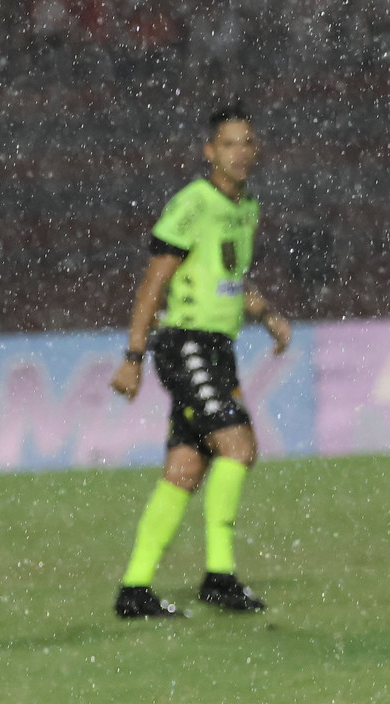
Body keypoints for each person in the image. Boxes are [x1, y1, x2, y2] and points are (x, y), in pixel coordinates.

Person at [109, 101, 292, 619]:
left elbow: (227, 277)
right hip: (185, 342)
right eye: (230, 143)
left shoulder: (245, 208)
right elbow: (155, 281)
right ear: (210, 151)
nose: (240, 152)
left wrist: (266, 314)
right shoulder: (192, 203)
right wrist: (133, 354)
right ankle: (219, 576)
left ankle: (135, 588)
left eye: (248, 143)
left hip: (217, 347)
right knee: (238, 446)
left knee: (186, 467)